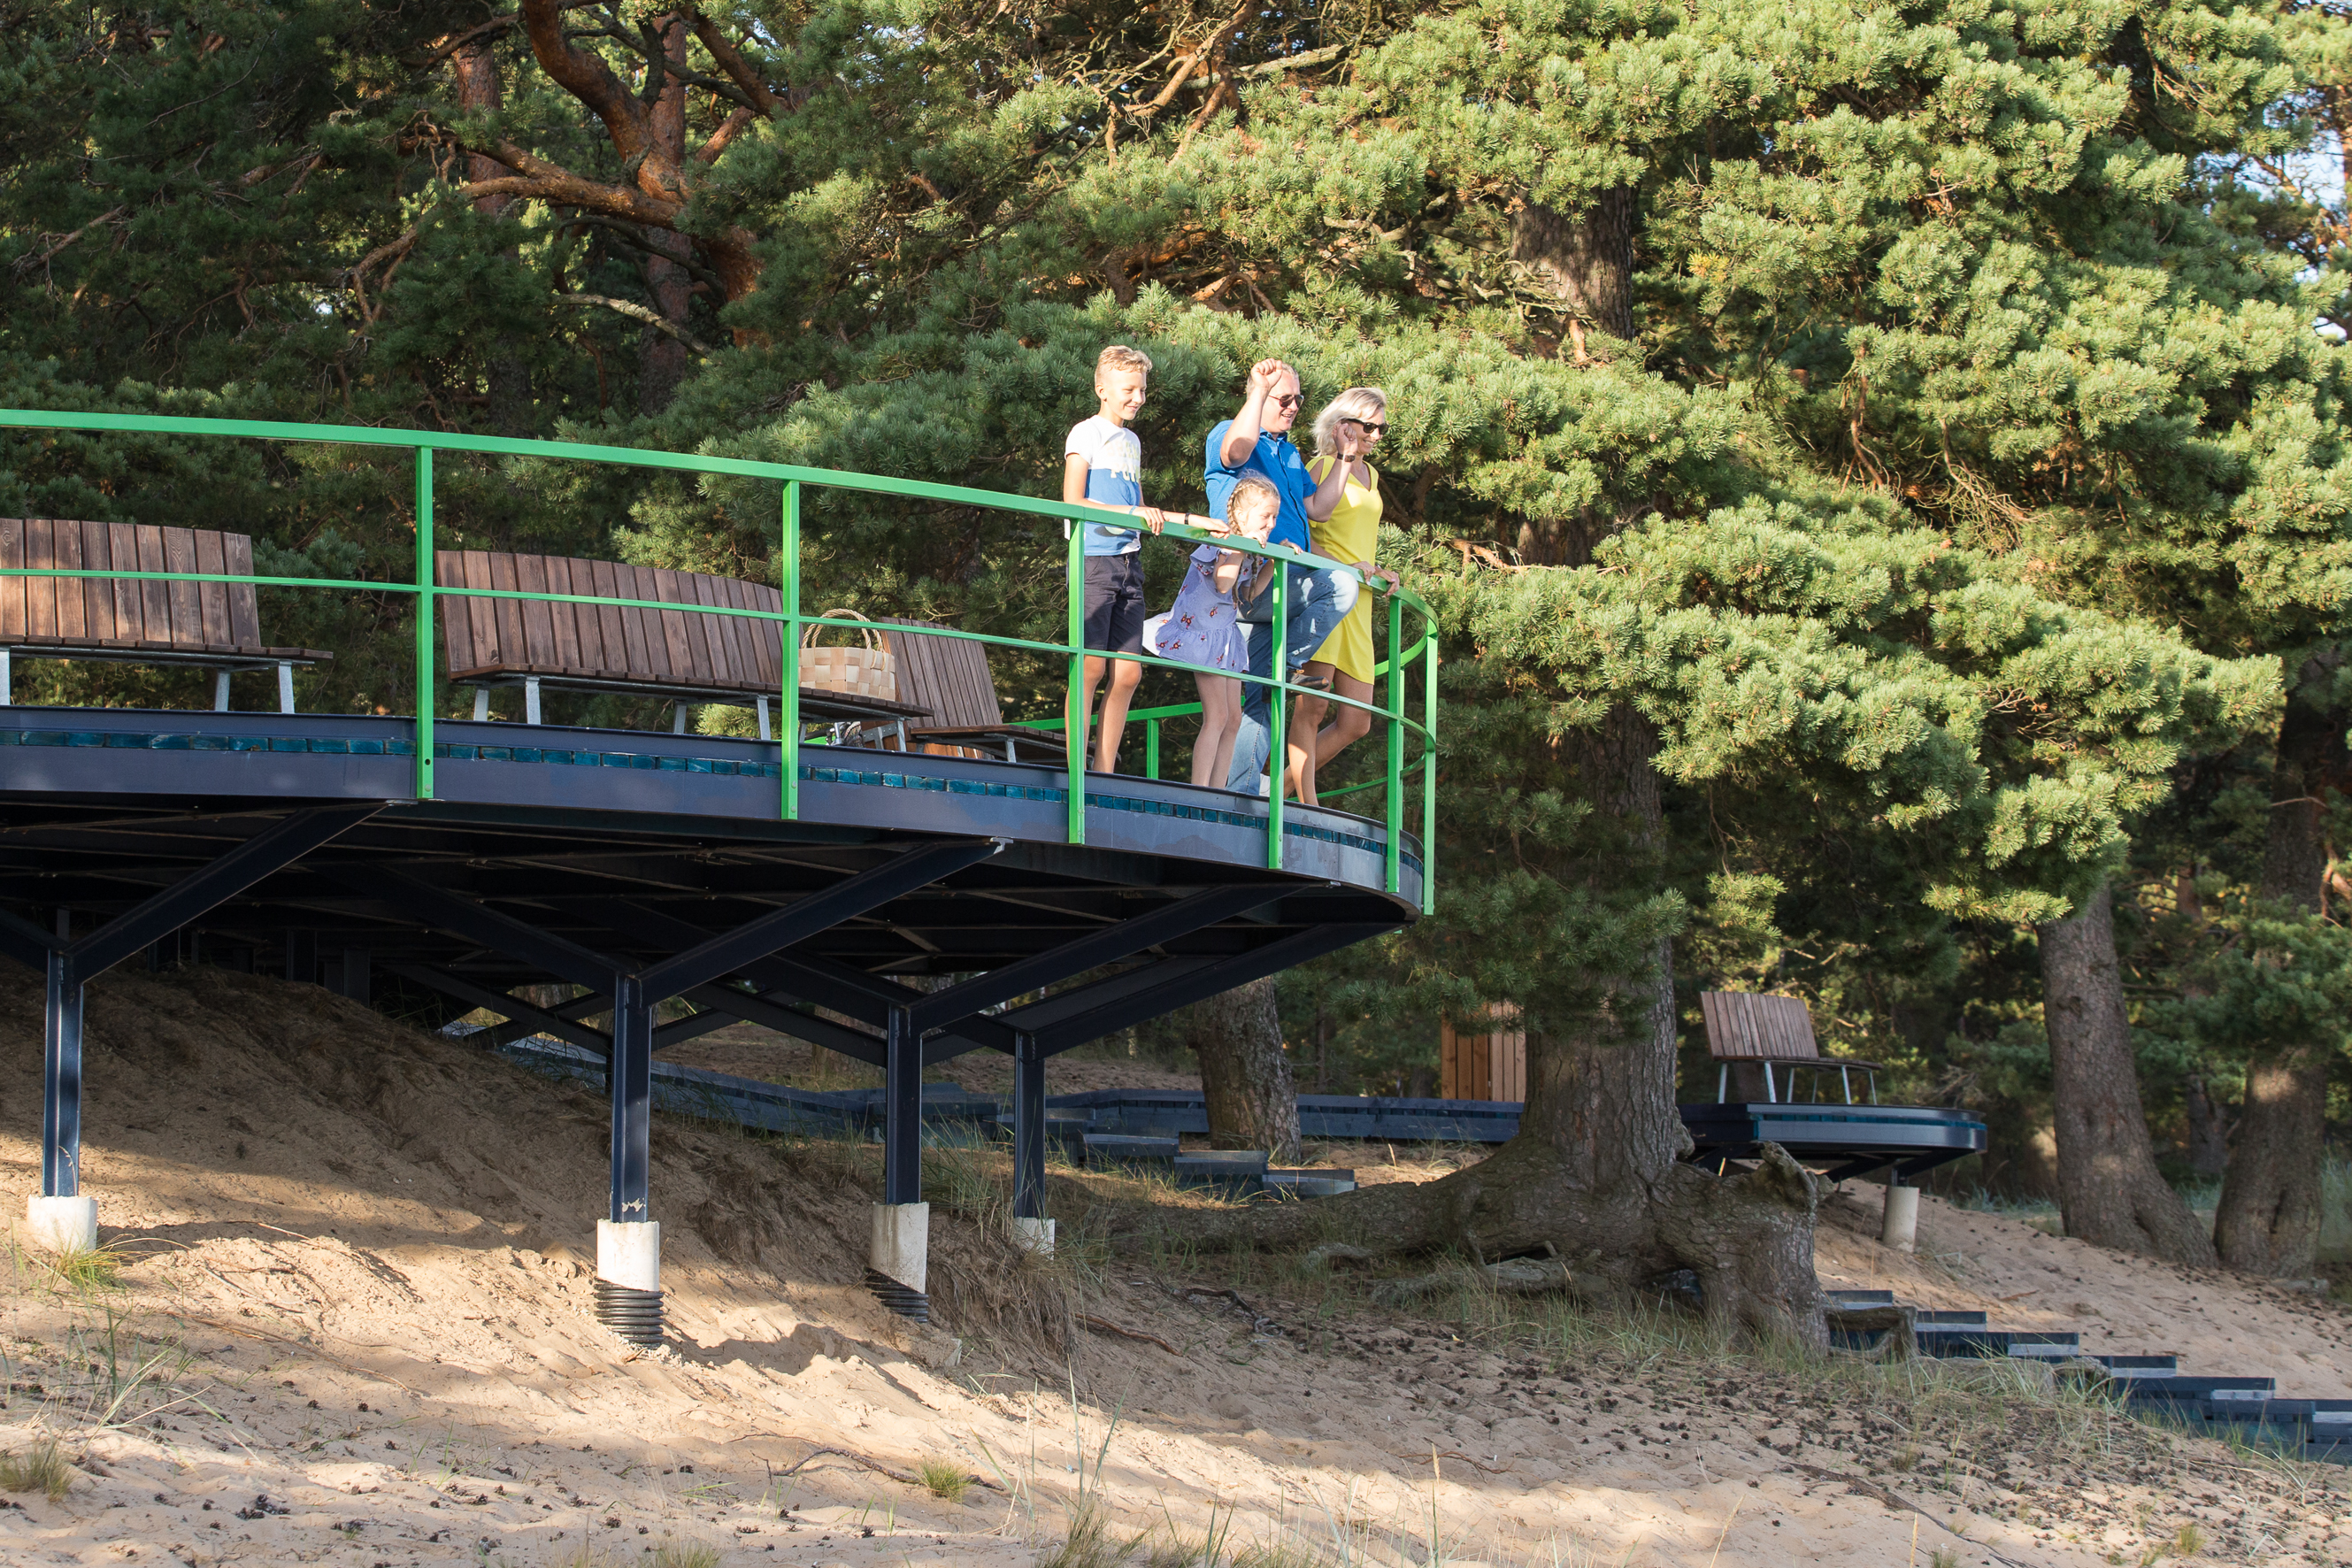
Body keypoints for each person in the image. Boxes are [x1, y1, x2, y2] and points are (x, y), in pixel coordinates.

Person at [1202, 358, 1361, 793]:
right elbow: (1235, 451)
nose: (1293, 407)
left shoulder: (1288, 451)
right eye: (1284, 399)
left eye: (1298, 400)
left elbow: (1317, 511)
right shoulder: (1230, 433)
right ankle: (1287, 665)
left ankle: (1237, 794)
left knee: (1256, 702)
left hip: (1282, 581)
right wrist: (1257, 389)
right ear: (1259, 397)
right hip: (1247, 579)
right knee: (1339, 585)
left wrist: (1345, 456)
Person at [1289, 386, 1401, 805]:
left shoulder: (1371, 475)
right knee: (1312, 708)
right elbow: (1303, 538)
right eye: (1368, 426)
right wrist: (1345, 568)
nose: (1376, 434)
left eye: (1381, 427)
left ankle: (1279, 786)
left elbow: (1359, 539)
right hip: (1329, 594)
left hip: (1363, 602)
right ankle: (1306, 805)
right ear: (1343, 426)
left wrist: (1380, 569)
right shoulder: (1319, 467)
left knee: (1357, 722)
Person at [1064, 344, 1168, 772]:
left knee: (1127, 674)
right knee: (1089, 666)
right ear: (1101, 389)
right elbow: (1073, 499)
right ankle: (1076, 767)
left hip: (1129, 561)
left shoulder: (1133, 440)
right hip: (1093, 559)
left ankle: (1104, 772)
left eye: (1142, 391)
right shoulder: (1086, 432)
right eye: (1129, 390)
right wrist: (1131, 513)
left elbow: (1138, 505)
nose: (1137, 399)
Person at [1152, 474, 1279, 788]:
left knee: (1234, 718)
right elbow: (1223, 581)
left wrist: (1273, 563)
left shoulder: (1249, 548)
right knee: (1218, 716)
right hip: (1202, 632)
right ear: (1241, 515)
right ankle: (1201, 789)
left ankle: (1218, 789)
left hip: (1225, 632)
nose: (1271, 523)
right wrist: (1241, 546)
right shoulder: (1223, 541)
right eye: (1266, 516)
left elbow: (1248, 594)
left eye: (1275, 516)